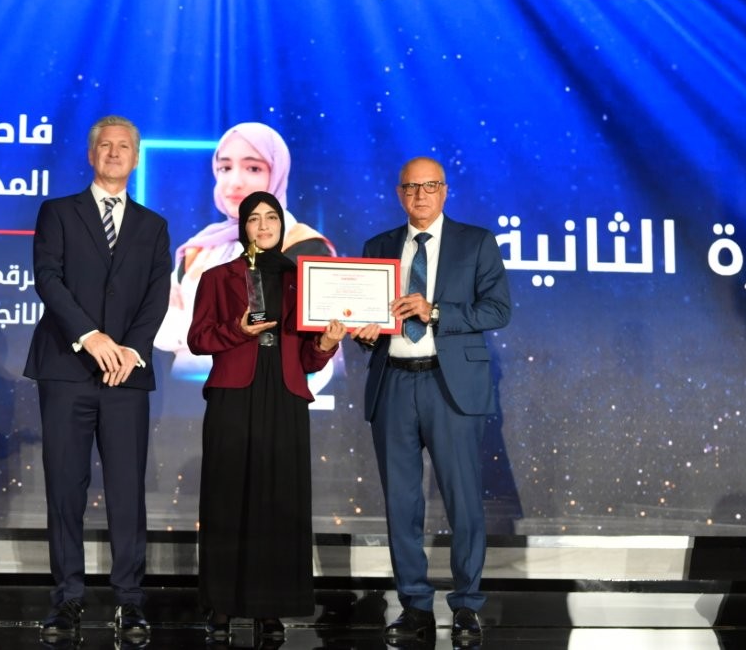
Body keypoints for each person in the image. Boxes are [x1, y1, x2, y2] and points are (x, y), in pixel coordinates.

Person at [23, 115, 172, 640]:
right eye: (104, 145)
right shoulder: (58, 213)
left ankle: (130, 601)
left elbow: (157, 295)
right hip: (67, 370)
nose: (113, 153)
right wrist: (91, 337)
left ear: (135, 157)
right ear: (91, 155)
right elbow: (48, 279)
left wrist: (130, 349)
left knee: (127, 491)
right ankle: (67, 599)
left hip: (125, 375)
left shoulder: (153, 226)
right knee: (65, 488)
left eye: (123, 146)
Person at [354, 157, 512, 644]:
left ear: (444, 191)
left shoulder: (476, 241)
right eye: (410, 188)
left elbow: (498, 309)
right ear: (399, 194)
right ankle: (415, 607)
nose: (420, 195)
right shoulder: (378, 246)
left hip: (450, 385)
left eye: (429, 186)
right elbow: (366, 318)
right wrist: (361, 332)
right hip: (394, 384)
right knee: (401, 505)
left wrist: (435, 310)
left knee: (463, 501)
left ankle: (466, 606)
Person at [187, 190, 346, 639]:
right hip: (234, 395)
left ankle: (269, 608)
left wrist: (327, 343)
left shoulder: (304, 279)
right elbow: (198, 339)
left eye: (270, 217)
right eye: (253, 218)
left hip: (285, 394)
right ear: (243, 227)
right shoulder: (218, 277)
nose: (263, 226)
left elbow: (310, 359)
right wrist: (237, 330)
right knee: (226, 498)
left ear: (281, 223)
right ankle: (221, 607)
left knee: (279, 503)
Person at [155, 122, 335, 385]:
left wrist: (199, 329)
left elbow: (281, 332)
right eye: (225, 168)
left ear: (277, 173)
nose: (235, 182)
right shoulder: (201, 247)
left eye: (253, 168)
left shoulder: (303, 246)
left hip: (270, 392)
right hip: (188, 397)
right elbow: (161, 328)